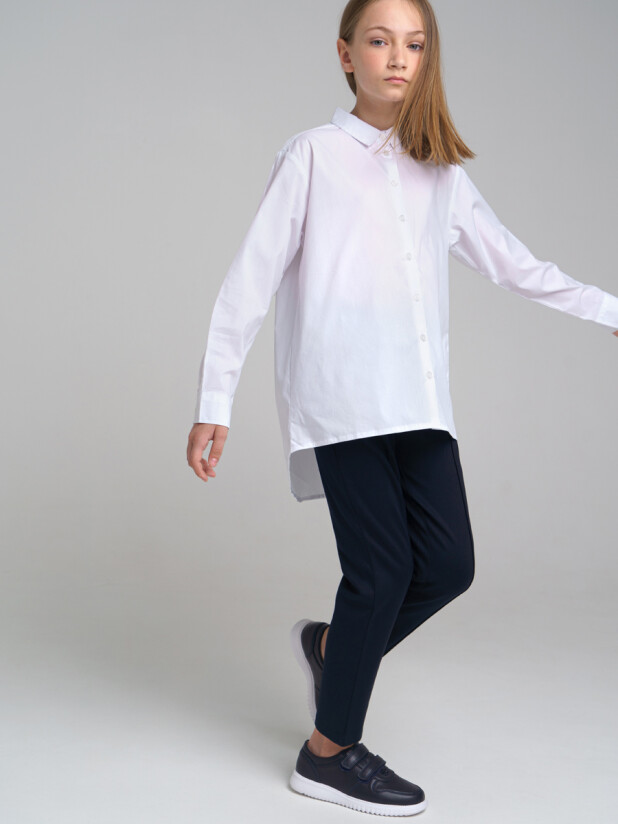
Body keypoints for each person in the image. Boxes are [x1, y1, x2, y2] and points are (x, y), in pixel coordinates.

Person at [186, 0, 618, 816]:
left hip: (418, 402)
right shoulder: (311, 157)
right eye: (379, 41)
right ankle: (326, 753)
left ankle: (330, 646)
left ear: (428, 59)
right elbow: (249, 280)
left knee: (448, 566)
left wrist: (608, 308)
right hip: (342, 401)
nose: (396, 58)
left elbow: (515, 265)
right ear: (345, 54)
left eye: (414, 45)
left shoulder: (439, 171)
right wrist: (216, 401)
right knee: (380, 574)